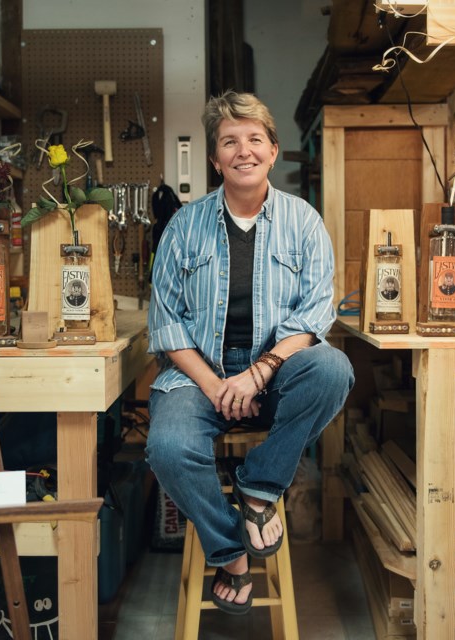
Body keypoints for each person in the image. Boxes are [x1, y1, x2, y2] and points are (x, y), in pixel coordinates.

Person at [145, 90, 354, 616]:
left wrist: (257, 375)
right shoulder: (182, 227)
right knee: (167, 448)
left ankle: (259, 488)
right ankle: (229, 551)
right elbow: (167, 325)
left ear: (273, 150)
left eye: (254, 139)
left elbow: (313, 317)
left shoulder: (303, 222)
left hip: (276, 372)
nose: (244, 150)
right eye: (229, 141)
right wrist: (217, 385)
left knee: (333, 368)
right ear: (215, 158)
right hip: (200, 378)